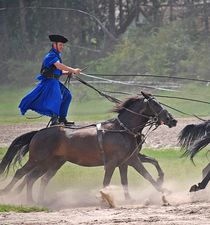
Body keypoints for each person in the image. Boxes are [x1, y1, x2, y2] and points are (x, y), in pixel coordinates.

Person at [19, 34, 81, 126]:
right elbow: (59, 66)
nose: (62, 47)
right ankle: (54, 120)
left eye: (62, 45)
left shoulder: (56, 56)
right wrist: (73, 70)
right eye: (60, 45)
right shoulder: (51, 55)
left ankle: (62, 119)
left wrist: (67, 73)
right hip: (50, 82)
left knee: (67, 95)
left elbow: (57, 71)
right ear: (54, 45)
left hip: (54, 81)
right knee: (56, 98)